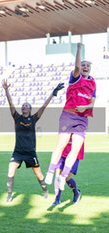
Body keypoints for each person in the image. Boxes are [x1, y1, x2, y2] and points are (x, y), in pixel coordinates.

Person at [2, 78, 64, 202]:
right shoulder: (17, 117)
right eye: (23, 105)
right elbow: (10, 104)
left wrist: (53, 93)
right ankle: (9, 195)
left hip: (30, 152)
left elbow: (44, 107)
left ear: (29, 109)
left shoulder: (34, 119)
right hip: (18, 152)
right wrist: (6, 90)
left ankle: (45, 190)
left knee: (39, 174)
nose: (24, 106)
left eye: (26, 106)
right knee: (10, 170)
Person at [45, 43, 96, 190]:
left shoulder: (92, 83)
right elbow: (78, 68)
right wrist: (79, 49)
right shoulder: (75, 77)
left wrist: (85, 107)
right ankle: (50, 172)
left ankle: (63, 176)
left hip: (82, 118)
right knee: (61, 145)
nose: (85, 67)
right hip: (68, 115)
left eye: (88, 66)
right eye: (83, 65)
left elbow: (93, 103)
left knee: (75, 149)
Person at [53, 135, 83, 205]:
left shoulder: (79, 128)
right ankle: (57, 200)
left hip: (73, 156)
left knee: (66, 178)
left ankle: (76, 193)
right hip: (62, 154)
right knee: (58, 176)